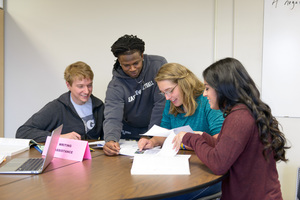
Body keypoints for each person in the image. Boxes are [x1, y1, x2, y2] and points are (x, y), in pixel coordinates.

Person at [173, 57, 289, 200]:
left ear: (223, 88)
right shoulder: (244, 111)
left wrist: (190, 137)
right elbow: (229, 148)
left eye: (207, 88)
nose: (204, 94)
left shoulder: (239, 117)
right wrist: (203, 136)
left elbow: (218, 164)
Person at [138, 63, 224, 199]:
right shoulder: (171, 102)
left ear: (184, 83)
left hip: (208, 174)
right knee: (147, 190)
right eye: (163, 93)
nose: (167, 97)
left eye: (170, 90)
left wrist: (188, 140)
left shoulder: (207, 100)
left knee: (163, 196)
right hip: (183, 168)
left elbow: (219, 143)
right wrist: (153, 141)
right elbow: (166, 133)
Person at [103, 34, 167, 156]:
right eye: (126, 65)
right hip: (129, 135)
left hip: (156, 132)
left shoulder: (158, 65)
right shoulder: (115, 85)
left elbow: (161, 104)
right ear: (119, 62)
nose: (132, 68)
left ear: (142, 56)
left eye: (136, 63)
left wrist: (151, 137)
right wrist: (111, 140)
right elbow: (113, 116)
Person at [16, 61, 105, 142]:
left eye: (89, 85)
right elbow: (22, 132)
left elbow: (107, 137)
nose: (86, 91)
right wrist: (59, 137)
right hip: (66, 158)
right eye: (80, 86)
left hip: (94, 158)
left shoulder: (100, 106)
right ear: (68, 85)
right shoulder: (56, 107)